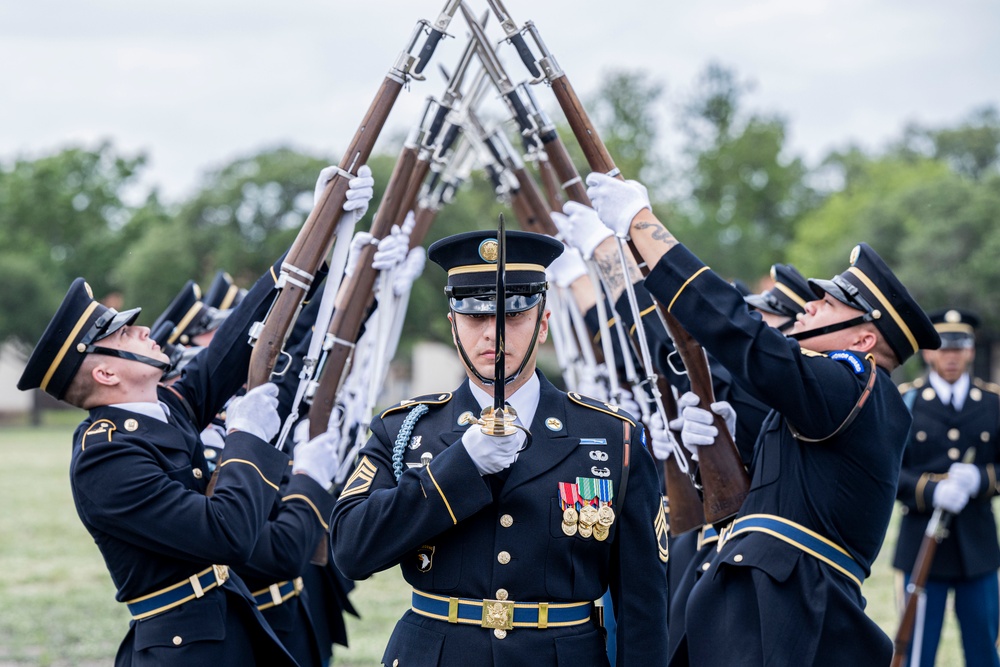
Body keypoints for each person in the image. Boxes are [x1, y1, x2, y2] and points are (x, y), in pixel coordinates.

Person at [16, 166, 375, 666]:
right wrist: (247, 436)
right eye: (121, 334)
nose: (140, 329)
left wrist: (320, 230)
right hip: (186, 652)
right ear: (104, 375)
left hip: (227, 631)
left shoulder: (163, 411)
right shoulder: (106, 458)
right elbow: (226, 531)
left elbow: (237, 340)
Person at [579, 171, 941, 666]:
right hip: (765, 601)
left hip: (792, 611)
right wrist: (713, 446)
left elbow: (739, 332)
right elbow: (777, 497)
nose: (810, 307)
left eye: (830, 303)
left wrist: (642, 224)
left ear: (863, 341)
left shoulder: (855, 384)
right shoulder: (831, 396)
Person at [329, 228, 669, 666]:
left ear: (542, 323)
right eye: (475, 317)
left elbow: (643, 604)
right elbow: (352, 550)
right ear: (454, 326)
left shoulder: (611, 435)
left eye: (513, 315)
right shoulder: (406, 430)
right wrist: (459, 467)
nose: (494, 334)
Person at [894, 308, 1000, 667]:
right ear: (927, 352)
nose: (950, 356)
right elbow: (888, 470)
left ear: (970, 350)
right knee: (916, 652)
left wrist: (982, 479)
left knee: (984, 651)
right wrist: (930, 490)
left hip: (978, 549)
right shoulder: (905, 402)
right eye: (942, 347)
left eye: (959, 348)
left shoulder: (992, 403)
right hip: (921, 545)